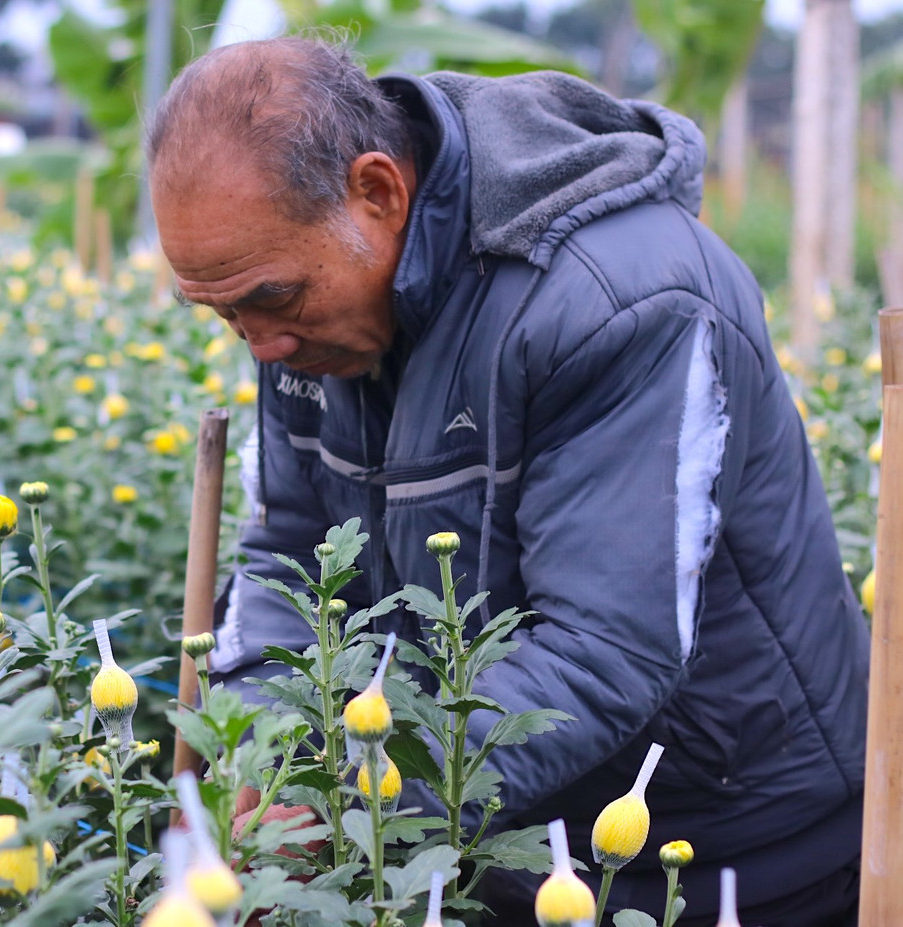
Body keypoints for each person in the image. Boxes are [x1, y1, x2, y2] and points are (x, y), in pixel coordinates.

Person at [144, 35, 867, 927]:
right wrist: (264, 761)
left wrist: (345, 802)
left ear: (378, 192)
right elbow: (286, 554)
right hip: (500, 837)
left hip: (725, 853)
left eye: (272, 299)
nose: (259, 344)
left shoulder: (619, 298)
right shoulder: (302, 309)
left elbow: (606, 645)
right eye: (224, 313)